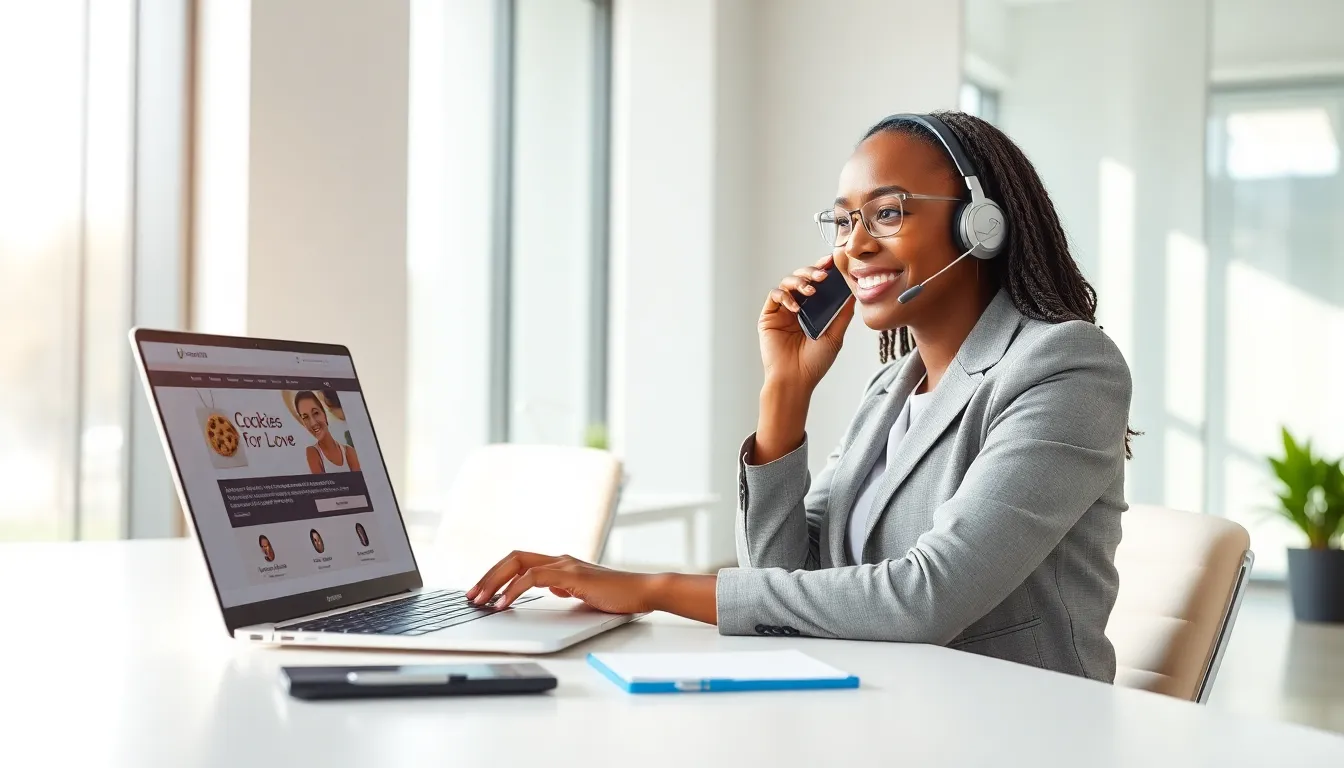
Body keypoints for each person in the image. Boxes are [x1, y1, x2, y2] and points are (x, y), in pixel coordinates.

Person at [467, 111, 1134, 682]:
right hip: (884, 711)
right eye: (843, 223)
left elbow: (926, 598)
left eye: (888, 213)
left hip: (1016, 730)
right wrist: (786, 392)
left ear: (980, 226)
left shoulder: (1064, 366)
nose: (855, 245)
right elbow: (781, 573)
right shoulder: (890, 390)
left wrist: (653, 587)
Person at [294, 390, 360, 474]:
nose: (313, 423)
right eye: (305, 417)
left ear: (324, 414)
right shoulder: (312, 452)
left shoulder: (349, 451)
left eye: (316, 413)